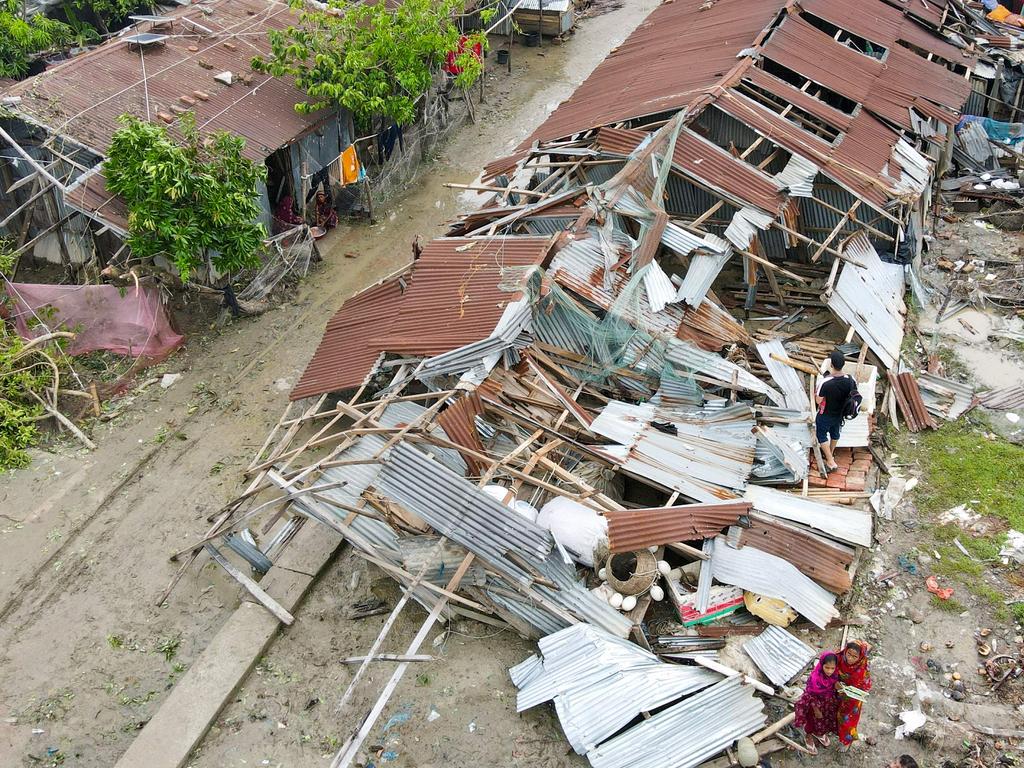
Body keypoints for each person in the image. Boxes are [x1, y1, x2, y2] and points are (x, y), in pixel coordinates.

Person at [815, 350, 857, 473]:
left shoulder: (825, 382)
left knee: (821, 435)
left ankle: (830, 460)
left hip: (825, 414)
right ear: (843, 365)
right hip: (840, 414)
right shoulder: (850, 380)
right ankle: (830, 453)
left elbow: (818, 401)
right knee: (835, 433)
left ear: (831, 365)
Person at [794, 651, 840, 753]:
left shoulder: (834, 674)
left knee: (823, 720)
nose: (829, 671)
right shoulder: (815, 678)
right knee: (811, 721)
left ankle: (819, 733)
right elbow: (811, 695)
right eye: (827, 668)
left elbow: (834, 683)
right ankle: (808, 736)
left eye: (832, 668)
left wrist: (837, 685)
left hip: (827, 702)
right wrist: (816, 710)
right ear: (821, 664)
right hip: (813, 704)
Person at [836, 640, 872, 752]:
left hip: (853, 699)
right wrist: (835, 683)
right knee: (835, 715)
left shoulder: (862, 668)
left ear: (860, 657)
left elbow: (864, 686)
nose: (850, 658)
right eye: (849, 654)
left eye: (854, 656)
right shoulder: (839, 658)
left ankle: (847, 741)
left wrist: (848, 690)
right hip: (837, 692)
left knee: (848, 721)